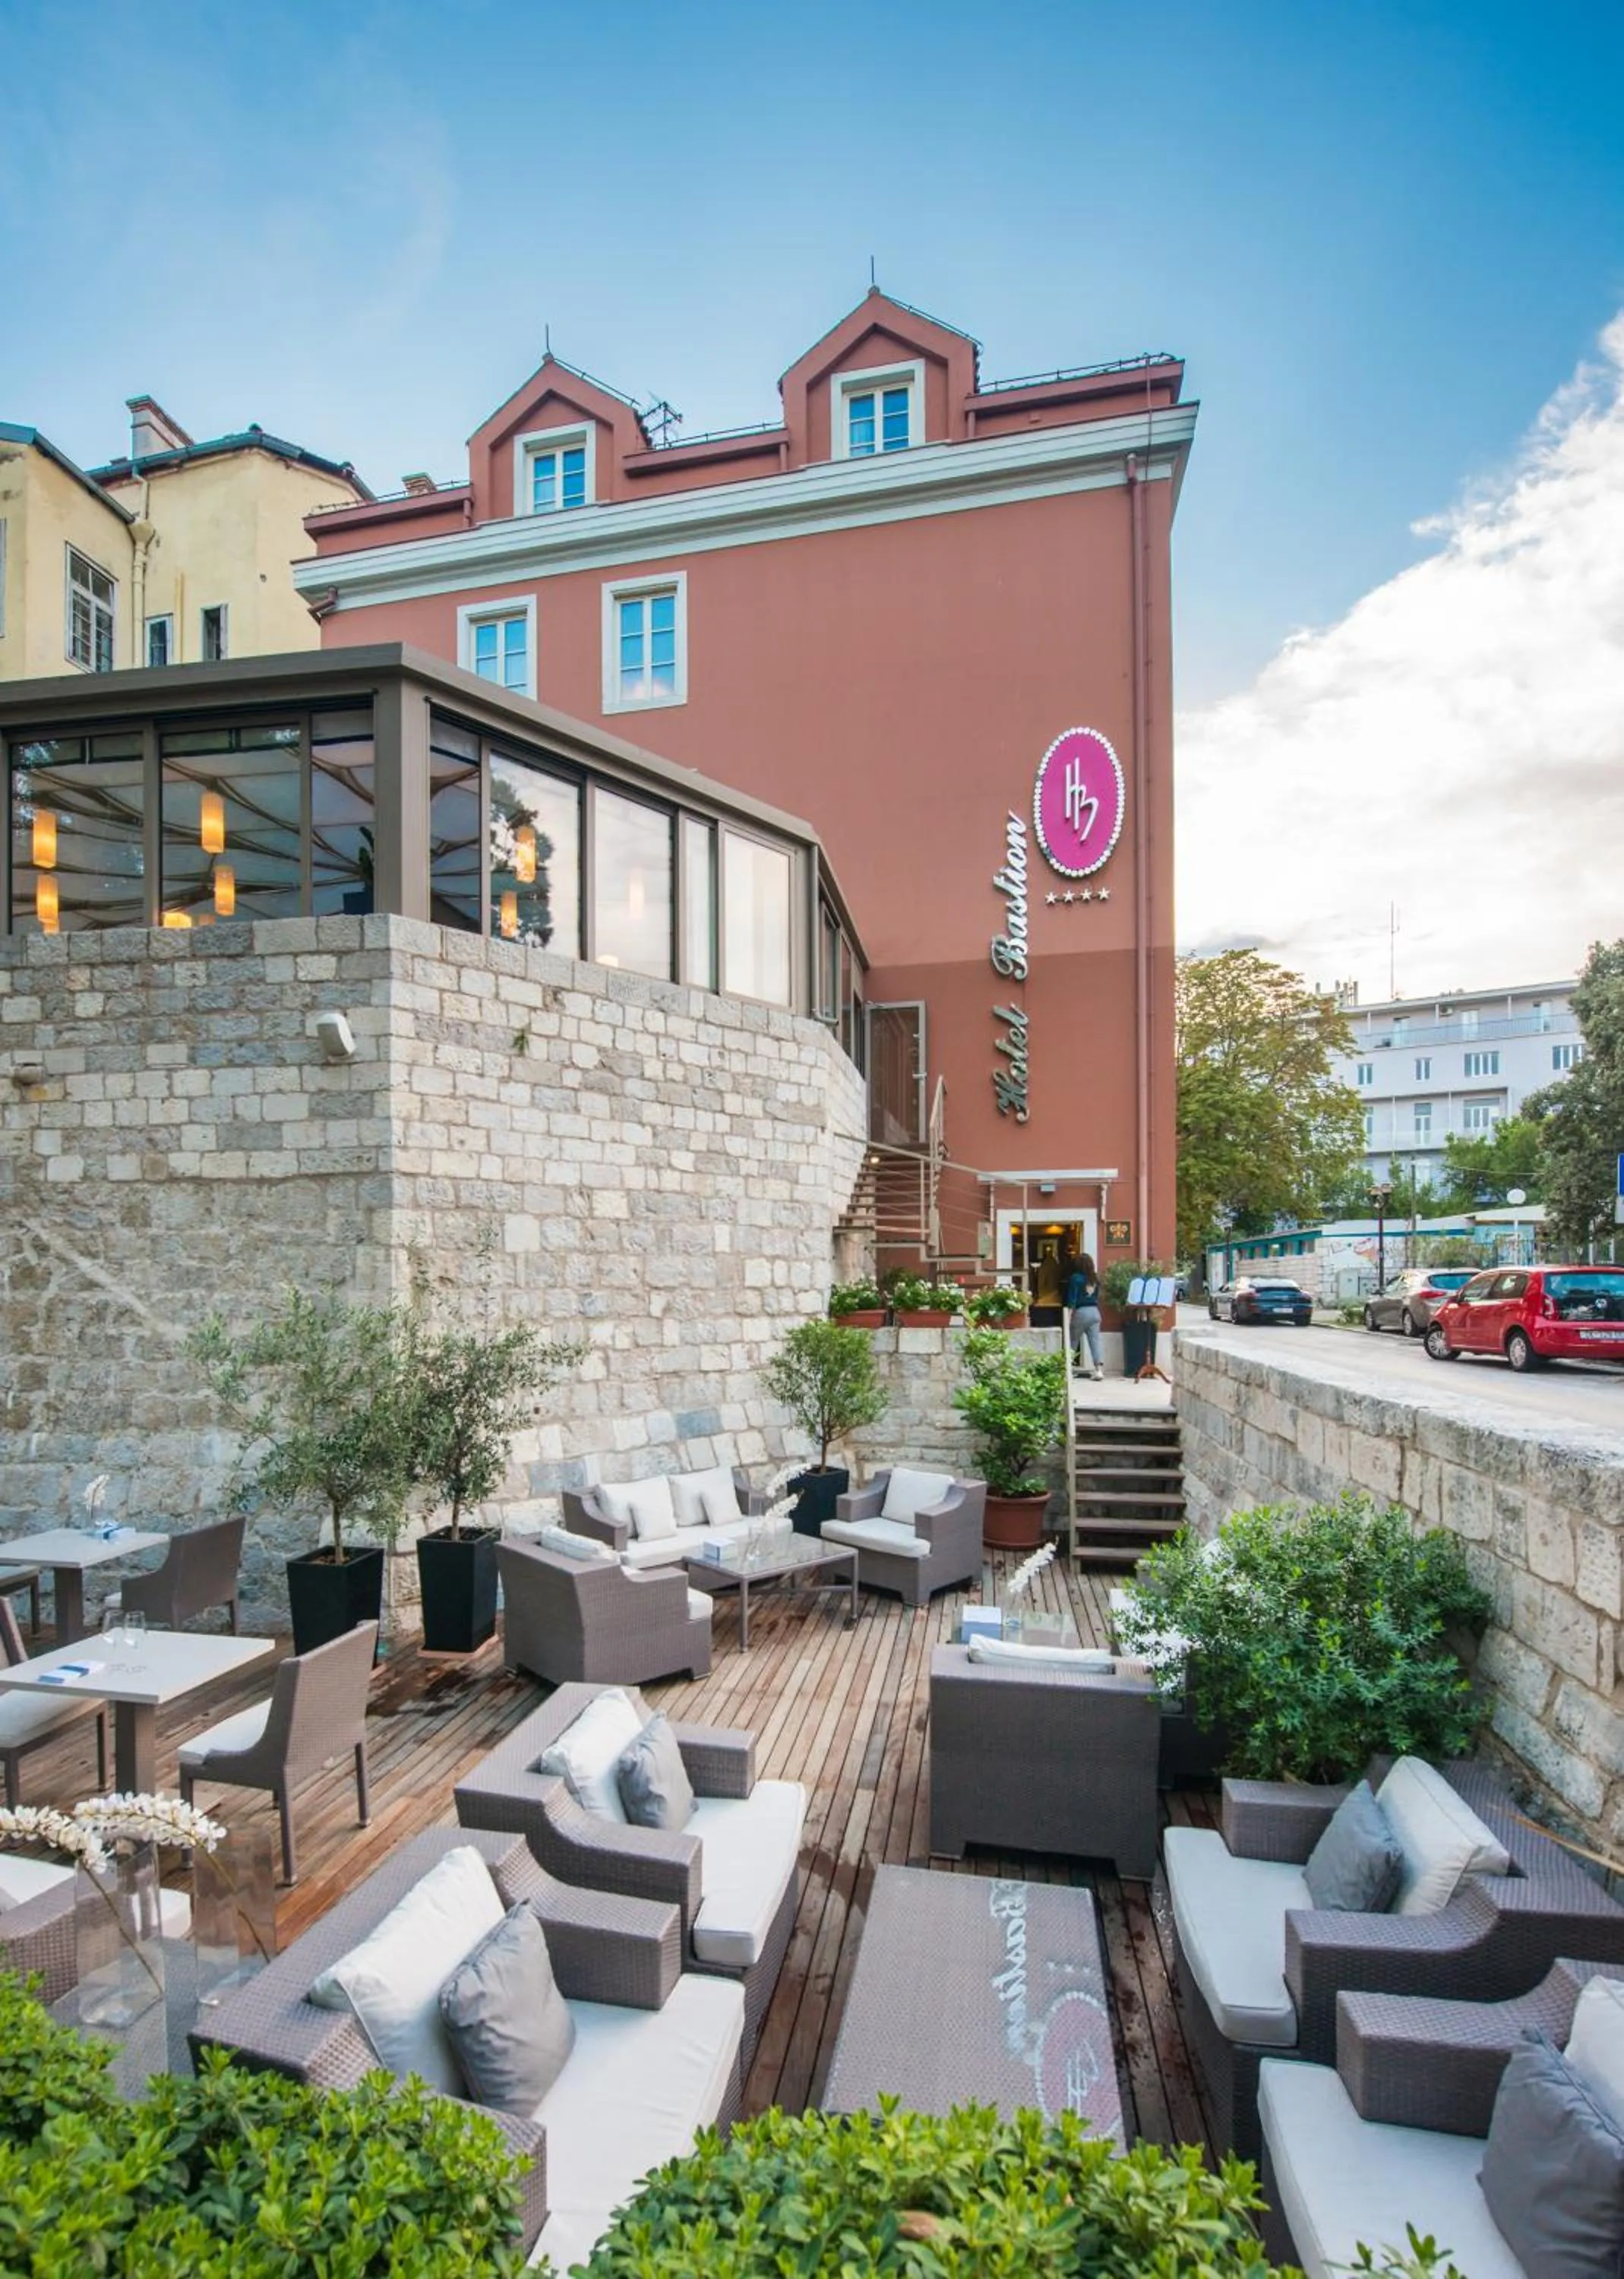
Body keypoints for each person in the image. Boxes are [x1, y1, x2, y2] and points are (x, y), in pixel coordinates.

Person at [1064, 1252, 1104, 1379]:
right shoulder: (1095, 1278)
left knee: (1073, 1341)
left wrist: (1068, 1317)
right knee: (1095, 1342)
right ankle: (1099, 1370)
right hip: (1095, 1312)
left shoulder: (1075, 1278)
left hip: (1081, 1312)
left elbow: (1072, 1300)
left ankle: (1068, 1369)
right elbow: (1097, 1296)